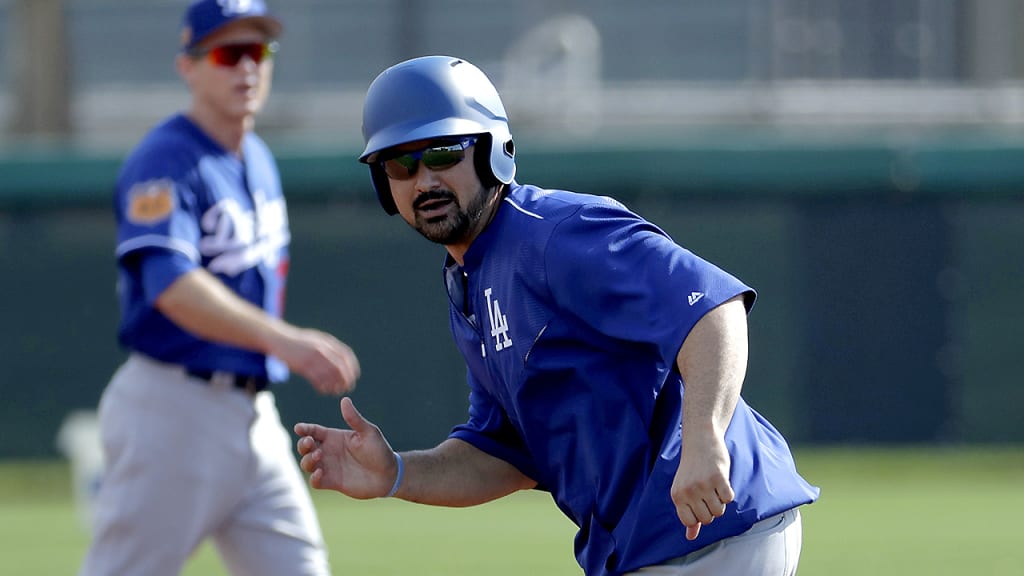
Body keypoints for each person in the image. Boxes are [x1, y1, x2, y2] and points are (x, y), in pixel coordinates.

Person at [295, 55, 818, 576]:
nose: (424, 180)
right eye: (400, 164)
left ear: (491, 151)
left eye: (443, 152)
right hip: (658, 546)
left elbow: (714, 309)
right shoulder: (469, 282)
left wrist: (704, 437)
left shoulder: (555, 233)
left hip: (712, 528)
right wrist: (397, 473)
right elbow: (504, 455)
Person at [79, 2, 360, 575]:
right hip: (172, 411)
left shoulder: (256, 157)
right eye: (229, 53)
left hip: (251, 415)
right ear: (189, 65)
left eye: (257, 51)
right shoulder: (165, 159)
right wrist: (284, 341)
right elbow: (172, 286)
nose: (247, 69)